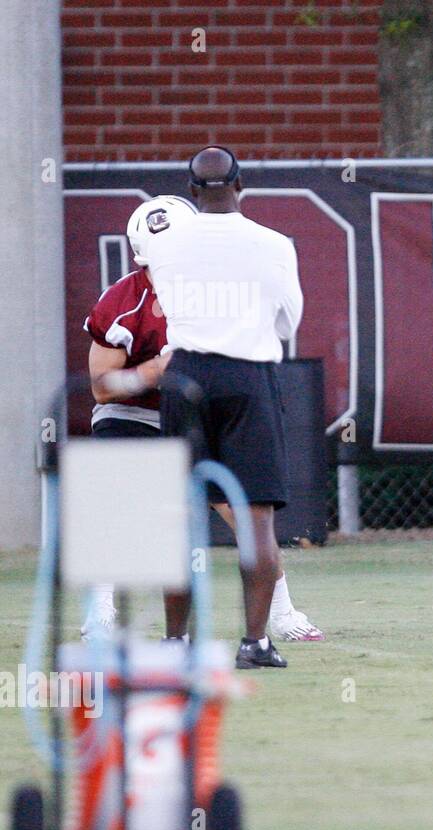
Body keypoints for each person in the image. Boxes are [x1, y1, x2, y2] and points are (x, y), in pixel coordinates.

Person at [80, 194, 324, 645]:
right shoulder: (124, 300)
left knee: (246, 511)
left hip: (199, 413)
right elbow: (101, 386)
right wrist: (153, 373)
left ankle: (282, 612)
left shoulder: (221, 287)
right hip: (136, 415)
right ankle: (100, 610)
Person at [146, 147, 304, 669]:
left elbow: (166, 308)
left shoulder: (166, 243)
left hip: (185, 374)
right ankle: (254, 642)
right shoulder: (274, 244)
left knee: (178, 515)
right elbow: (288, 321)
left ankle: (174, 643)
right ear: (241, 186)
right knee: (255, 516)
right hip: (247, 374)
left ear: (191, 192)